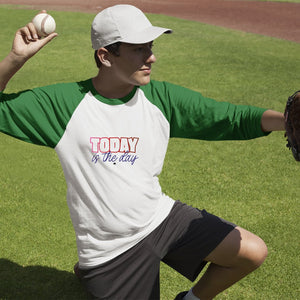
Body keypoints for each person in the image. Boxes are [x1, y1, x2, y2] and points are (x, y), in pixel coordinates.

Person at [0, 5, 285, 300]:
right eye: (138, 49)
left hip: (159, 219)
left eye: (150, 46)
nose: (151, 57)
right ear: (105, 56)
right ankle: (90, 272)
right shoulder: (63, 105)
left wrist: (287, 121)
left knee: (252, 251)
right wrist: (15, 59)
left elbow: (229, 117)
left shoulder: (161, 99)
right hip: (110, 250)